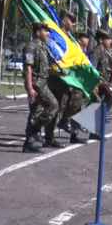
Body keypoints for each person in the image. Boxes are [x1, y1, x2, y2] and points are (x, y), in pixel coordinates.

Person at [45, 10, 86, 146]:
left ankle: (67, 125)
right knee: (56, 106)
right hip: (54, 75)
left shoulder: (70, 38)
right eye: (71, 20)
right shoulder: (55, 35)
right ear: (63, 20)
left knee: (75, 97)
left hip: (66, 75)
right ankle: (49, 136)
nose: (73, 23)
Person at [22, 22, 59, 153]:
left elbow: (43, 68)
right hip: (36, 83)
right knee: (53, 105)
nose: (48, 33)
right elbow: (28, 67)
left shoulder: (43, 47)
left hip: (43, 81)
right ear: (38, 32)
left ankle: (30, 142)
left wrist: (57, 73)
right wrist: (30, 87)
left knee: (36, 111)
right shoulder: (31, 46)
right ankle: (34, 129)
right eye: (45, 31)